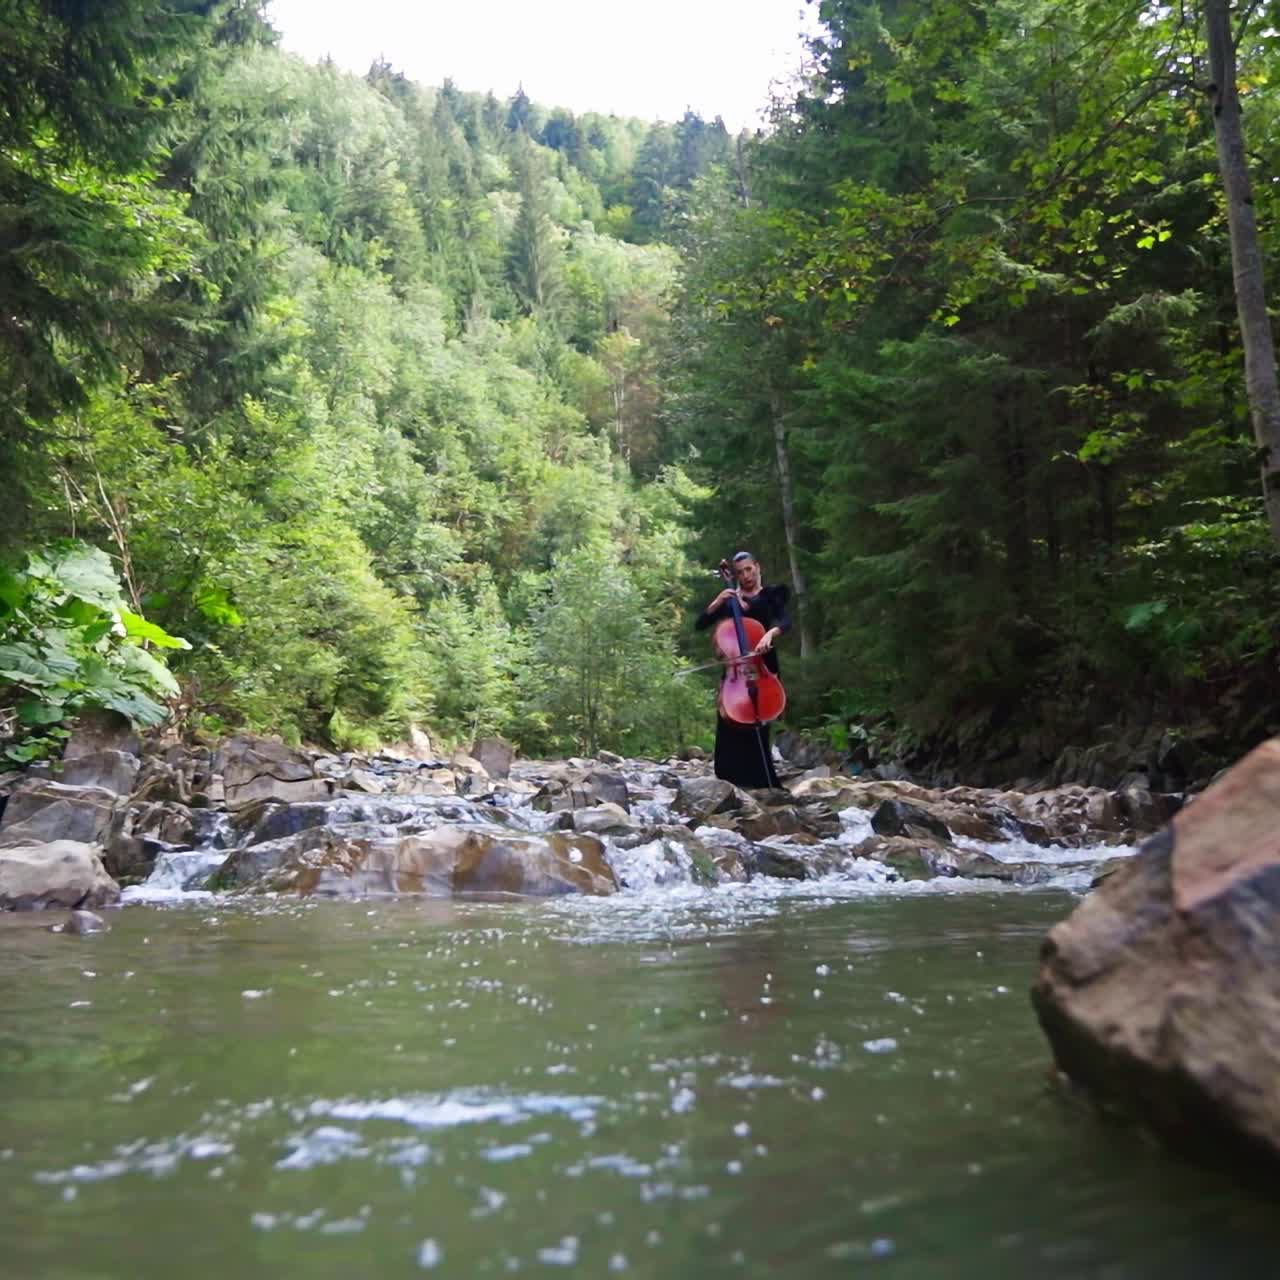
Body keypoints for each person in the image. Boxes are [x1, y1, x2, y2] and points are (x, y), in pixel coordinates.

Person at [694, 550, 791, 789]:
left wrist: (770, 633)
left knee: (760, 721)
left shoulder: (771, 595)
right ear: (734, 575)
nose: (746, 576)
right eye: (739, 573)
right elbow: (700, 624)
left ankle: (763, 781)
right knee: (731, 725)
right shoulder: (729, 600)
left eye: (749, 569)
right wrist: (717, 602)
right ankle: (731, 783)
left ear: (757, 567)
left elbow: (785, 621)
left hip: (763, 666)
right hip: (735, 671)